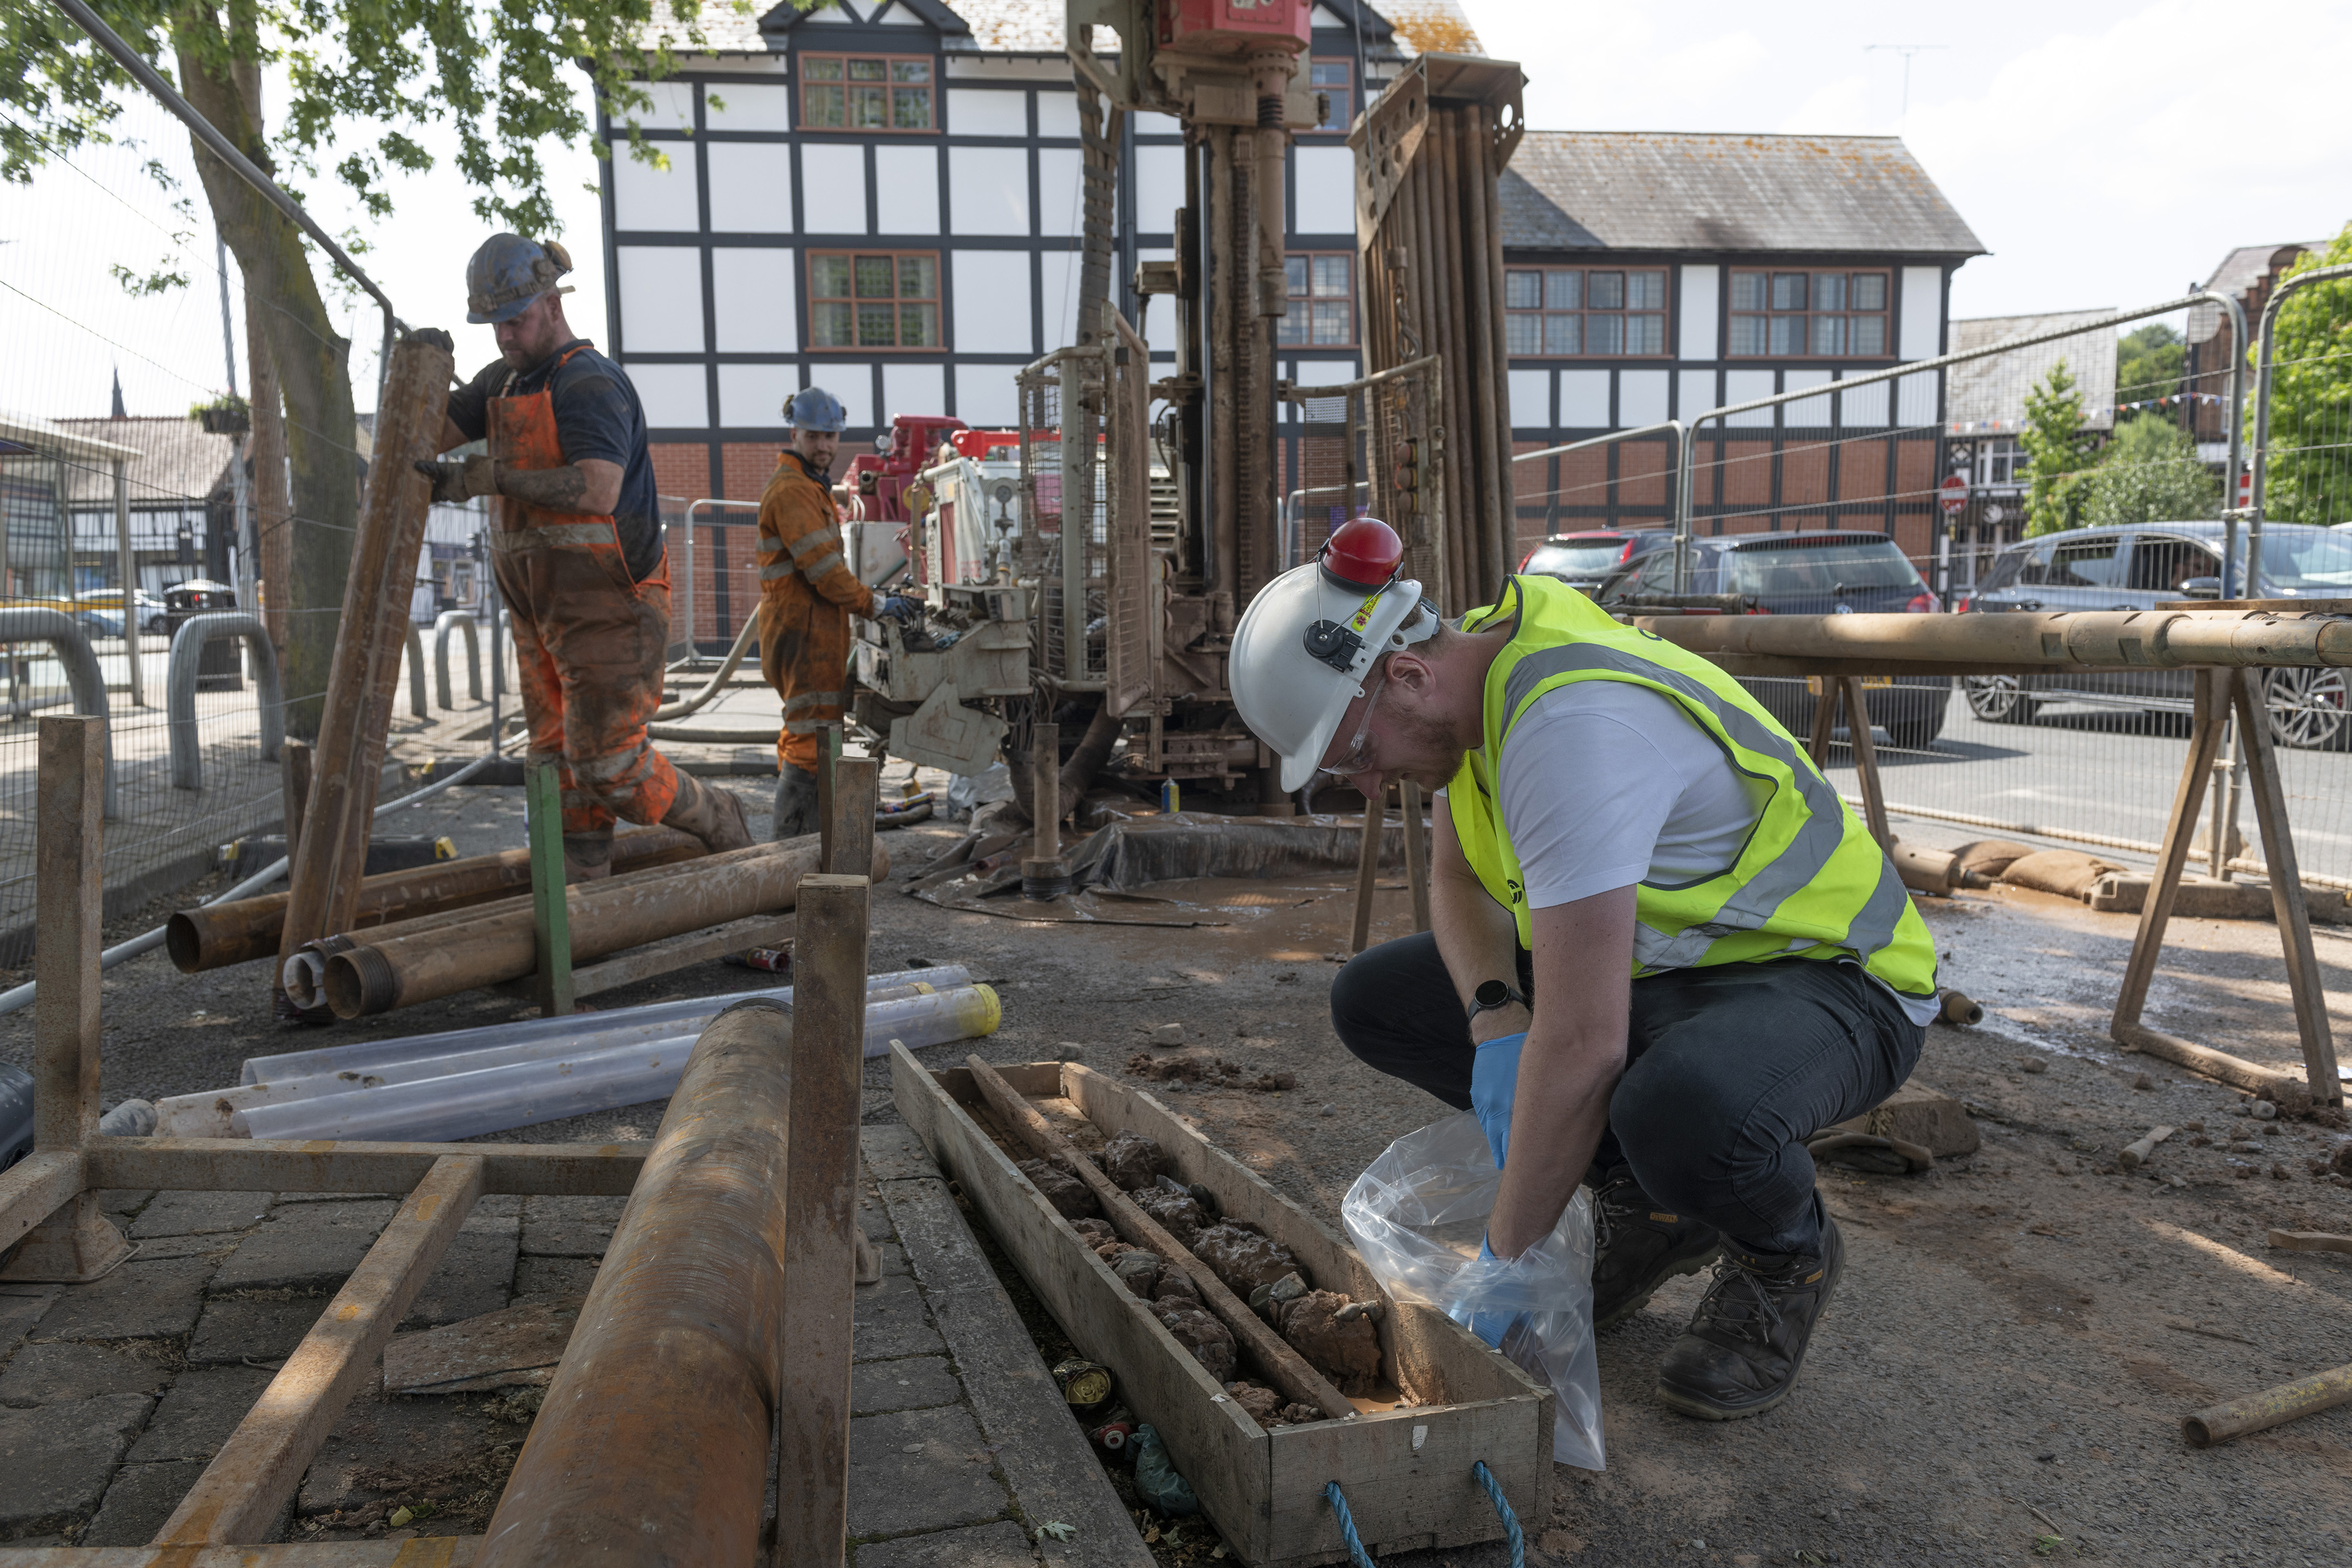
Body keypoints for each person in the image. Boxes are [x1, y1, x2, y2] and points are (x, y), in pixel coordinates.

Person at [1228, 518, 1937, 1421]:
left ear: (1404, 674)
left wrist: (1505, 1260)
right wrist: (1494, 1019)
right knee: (1380, 1000)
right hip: (1679, 964)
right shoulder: (1475, 672)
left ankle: (1784, 1253)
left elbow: (1585, 1041)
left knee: (1683, 1107)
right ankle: (1654, 1205)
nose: (1370, 786)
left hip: (1834, 980)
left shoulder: (1570, 726)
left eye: (1359, 755)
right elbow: (1458, 879)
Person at [419, 234, 750, 879]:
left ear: (552, 303)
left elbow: (596, 489)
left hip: (612, 603)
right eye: (492, 324)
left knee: (610, 764)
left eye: (515, 319)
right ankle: (581, 901)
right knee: (554, 760)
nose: (504, 336)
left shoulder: (589, 382)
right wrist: (418, 379)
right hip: (540, 608)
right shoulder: (505, 379)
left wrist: (487, 477)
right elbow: (432, 433)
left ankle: (717, 815)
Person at [754, 387, 915, 840]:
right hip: (804, 633)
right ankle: (794, 857)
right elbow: (824, 571)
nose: (824, 445)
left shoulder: (808, 486)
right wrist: (878, 603)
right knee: (812, 737)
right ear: (795, 433)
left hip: (807, 628)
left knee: (806, 731)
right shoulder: (793, 491)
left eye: (831, 436)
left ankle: (802, 850)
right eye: (814, 436)